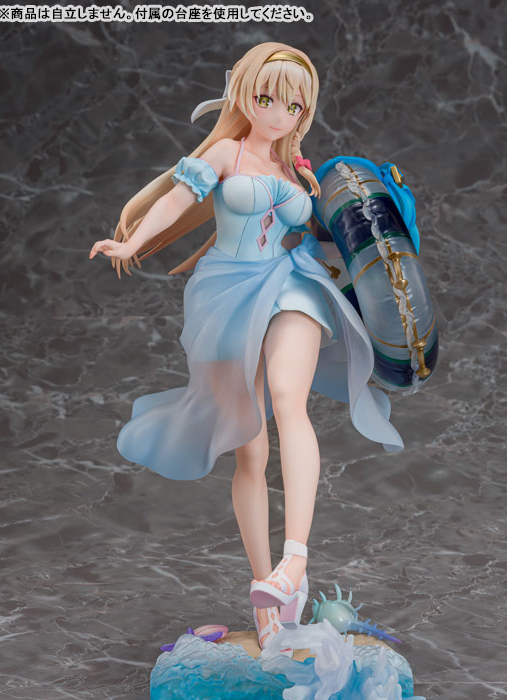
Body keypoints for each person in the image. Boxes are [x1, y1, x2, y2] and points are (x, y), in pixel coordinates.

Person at [89, 42, 403, 655]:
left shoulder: (301, 172)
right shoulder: (225, 153)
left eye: (293, 104)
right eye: (266, 98)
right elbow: (177, 200)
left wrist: (386, 219)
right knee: (250, 448)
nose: (279, 113)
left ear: (304, 110)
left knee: (289, 398)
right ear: (243, 94)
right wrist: (132, 244)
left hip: (292, 284)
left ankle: (295, 560)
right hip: (225, 294)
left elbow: (338, 236)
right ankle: (268, 597)